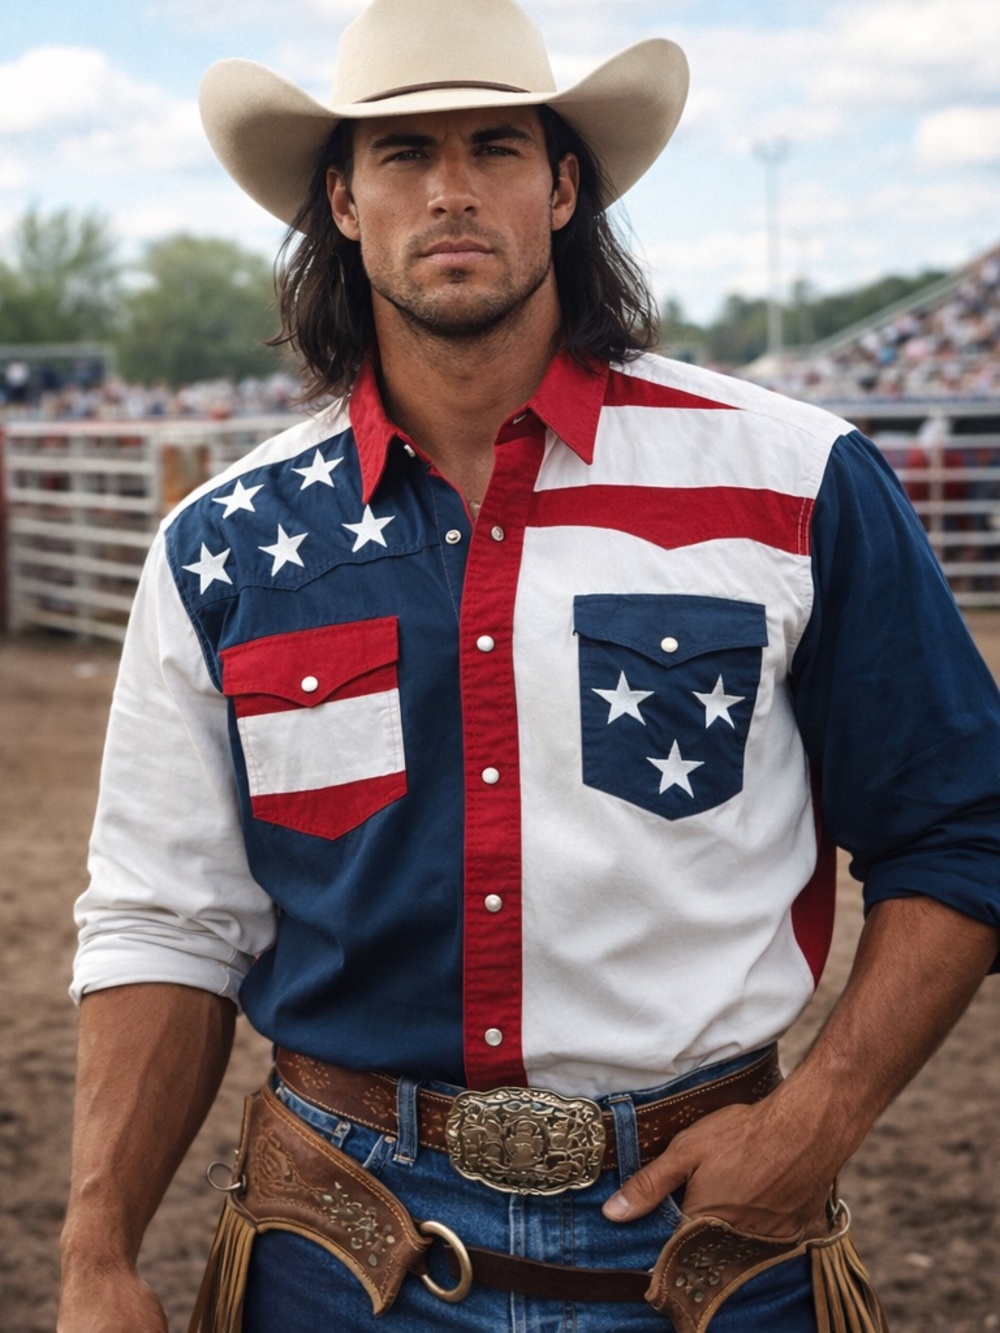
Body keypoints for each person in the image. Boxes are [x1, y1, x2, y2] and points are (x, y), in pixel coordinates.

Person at [58, 1, 1000, 1329]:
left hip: (713, 1238)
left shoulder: (793, 483)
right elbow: (167, 913)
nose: (452, 190)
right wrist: (96, 1255)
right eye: (402, 154)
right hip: (340, 1242)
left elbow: (964, 825)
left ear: (564, 186)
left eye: (497, 146)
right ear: (341, 197)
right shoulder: (227, 545)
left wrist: (817, 1122)